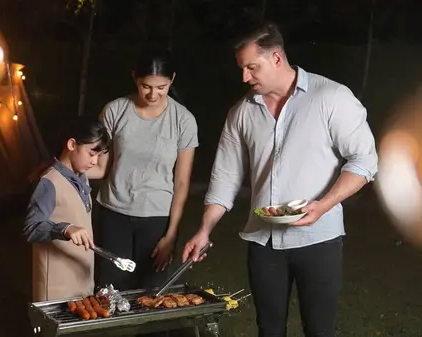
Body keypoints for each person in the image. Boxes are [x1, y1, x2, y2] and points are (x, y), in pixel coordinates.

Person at [182, 21, 378, 337]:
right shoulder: (241, 112)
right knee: (268, 329)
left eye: (251, 67)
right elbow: (225, 177)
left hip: (319, 239)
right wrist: (204, 230)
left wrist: (323, 205)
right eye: (242, 69)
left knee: (319, 330)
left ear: (276, 58)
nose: (244, 77)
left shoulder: (331, 97)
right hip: (263, 240)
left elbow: (365, 161)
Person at [87, 49, 199, 292]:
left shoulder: (184, 120)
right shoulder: (115, 111)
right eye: (146, 86)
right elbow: (100, 167)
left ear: (172, 80)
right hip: (113, 212)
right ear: (134, 78)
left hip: (156, 218)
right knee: (109, 290)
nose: (153, 94)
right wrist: (61, 169)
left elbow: (181, 184)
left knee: (152, 291)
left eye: (162, 87)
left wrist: (171, 236)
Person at [23, 117, 110, 302]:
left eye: (99, 155)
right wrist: (65, 228)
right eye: (91, 153)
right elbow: (31, 228)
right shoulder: (49, 183)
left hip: (81, 279)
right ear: (72, 144)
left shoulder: (82, 176)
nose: (95, 161)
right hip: (56, 286)